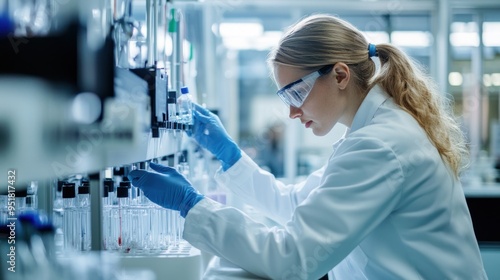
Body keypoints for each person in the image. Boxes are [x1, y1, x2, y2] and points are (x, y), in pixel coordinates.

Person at [128, 14, 487, 279]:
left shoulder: (380, 146)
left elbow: (293, 259)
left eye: (297, 92)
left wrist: (191, 206)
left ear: (341, 76)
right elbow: (296, 206)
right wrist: (231, 156)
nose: (292, 111)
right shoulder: (372, 133)